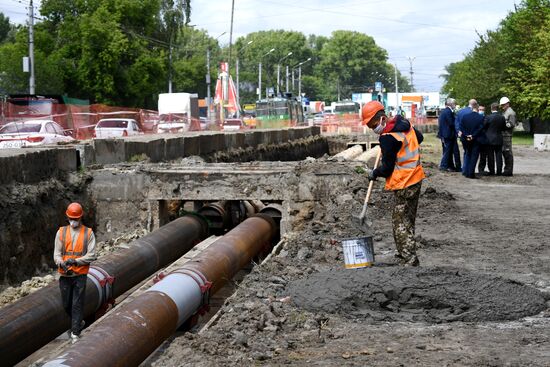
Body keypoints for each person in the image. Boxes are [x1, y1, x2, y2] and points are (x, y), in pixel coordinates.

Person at [361, 101, 425, 266]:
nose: (371, 128)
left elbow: (387, 169)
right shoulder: (403, 125)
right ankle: (404, 253)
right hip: (416, 177)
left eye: (372, 124)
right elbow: (420, 137)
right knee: (408, 220)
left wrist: (374, 173)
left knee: (400, 223)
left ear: (382, 118)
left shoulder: (388, 137)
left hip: (404, 182)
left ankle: (410, 260)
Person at [53, 202, 97, 343]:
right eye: (72, 219)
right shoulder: (61, 232)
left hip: (80, 275)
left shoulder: (88, 233)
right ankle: (79, 323)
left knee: (77, 304)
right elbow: (57, 254)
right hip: (65, 275)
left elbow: (92, 255)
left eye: (76, 219)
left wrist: (76, 261)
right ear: (68, 217)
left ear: (80, 218)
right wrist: (61, 262)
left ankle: (75, 333)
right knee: (67, 304)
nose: (74, 221)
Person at [458, 101, 485, 179]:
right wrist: (473, 135)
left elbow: (461, 127)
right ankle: (471, 173)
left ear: (472, 108)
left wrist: (467, 135)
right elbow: (480, 128)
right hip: (476, 139)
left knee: (468, 154)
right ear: (477, 108)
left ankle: (466, 172)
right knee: (474, 156)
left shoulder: (465, 117)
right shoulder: (480, 117)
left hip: (466, 139)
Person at [483, 102, 506, 175]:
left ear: (491, 108)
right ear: (497, 108)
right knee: (499, 156)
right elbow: (504, 128)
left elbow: (484, 126)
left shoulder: (488, 117)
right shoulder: (502, 117)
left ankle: (492, 171)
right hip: (499, 138)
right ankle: (499, 171)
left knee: (490, 156)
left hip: (490, 139)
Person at [437, 98, 458, 172]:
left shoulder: (443, 111)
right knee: (447, 151)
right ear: (451, 104)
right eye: (454, 103)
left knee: (447, 150)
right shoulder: (448, 112)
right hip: (448, 134)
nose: (455, 105)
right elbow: (451, 123)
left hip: (444, 134)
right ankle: (443, 166)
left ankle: (449, 165)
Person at [500, 96, 517, 176]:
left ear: (507, 104)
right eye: (502, 105)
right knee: (504, 152)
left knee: (507, 153)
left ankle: (508, 171)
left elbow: (511, 124)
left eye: (503, 104)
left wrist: (502, 125)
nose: (502, 106)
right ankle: (506, 169)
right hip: (504, 135)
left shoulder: (511, 112)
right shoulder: (505, 112)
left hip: (507, 135)